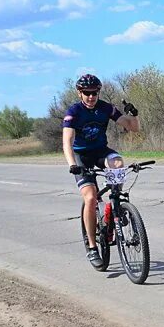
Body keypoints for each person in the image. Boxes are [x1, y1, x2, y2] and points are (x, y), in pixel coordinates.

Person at [62, 73, 141, 268]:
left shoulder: (105, 108)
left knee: (118, 163)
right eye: (87, 93)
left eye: (94, 93)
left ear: (98, 93)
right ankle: (92, 247)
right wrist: (72, 164)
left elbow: (133, 128)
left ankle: (116, 203)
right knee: (90, 198)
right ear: (80, 93)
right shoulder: (74, 112)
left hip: (100, 151)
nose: (91, 97)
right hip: (81, 156)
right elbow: (67, 142)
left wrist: (133, 114)